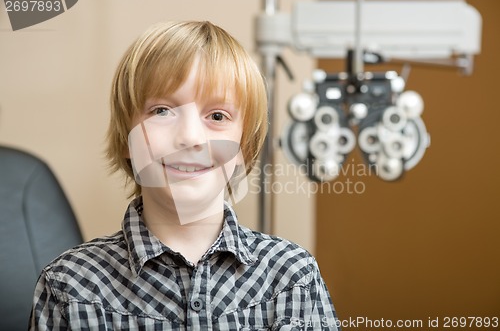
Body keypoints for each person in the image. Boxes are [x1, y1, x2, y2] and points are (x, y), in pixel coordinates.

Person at [29, 21, 340, 330]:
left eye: (217, 116)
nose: (191, 137)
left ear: (243, 147)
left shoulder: (293, 277)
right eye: (162, 111)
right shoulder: (68, 287)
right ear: (127, 138)